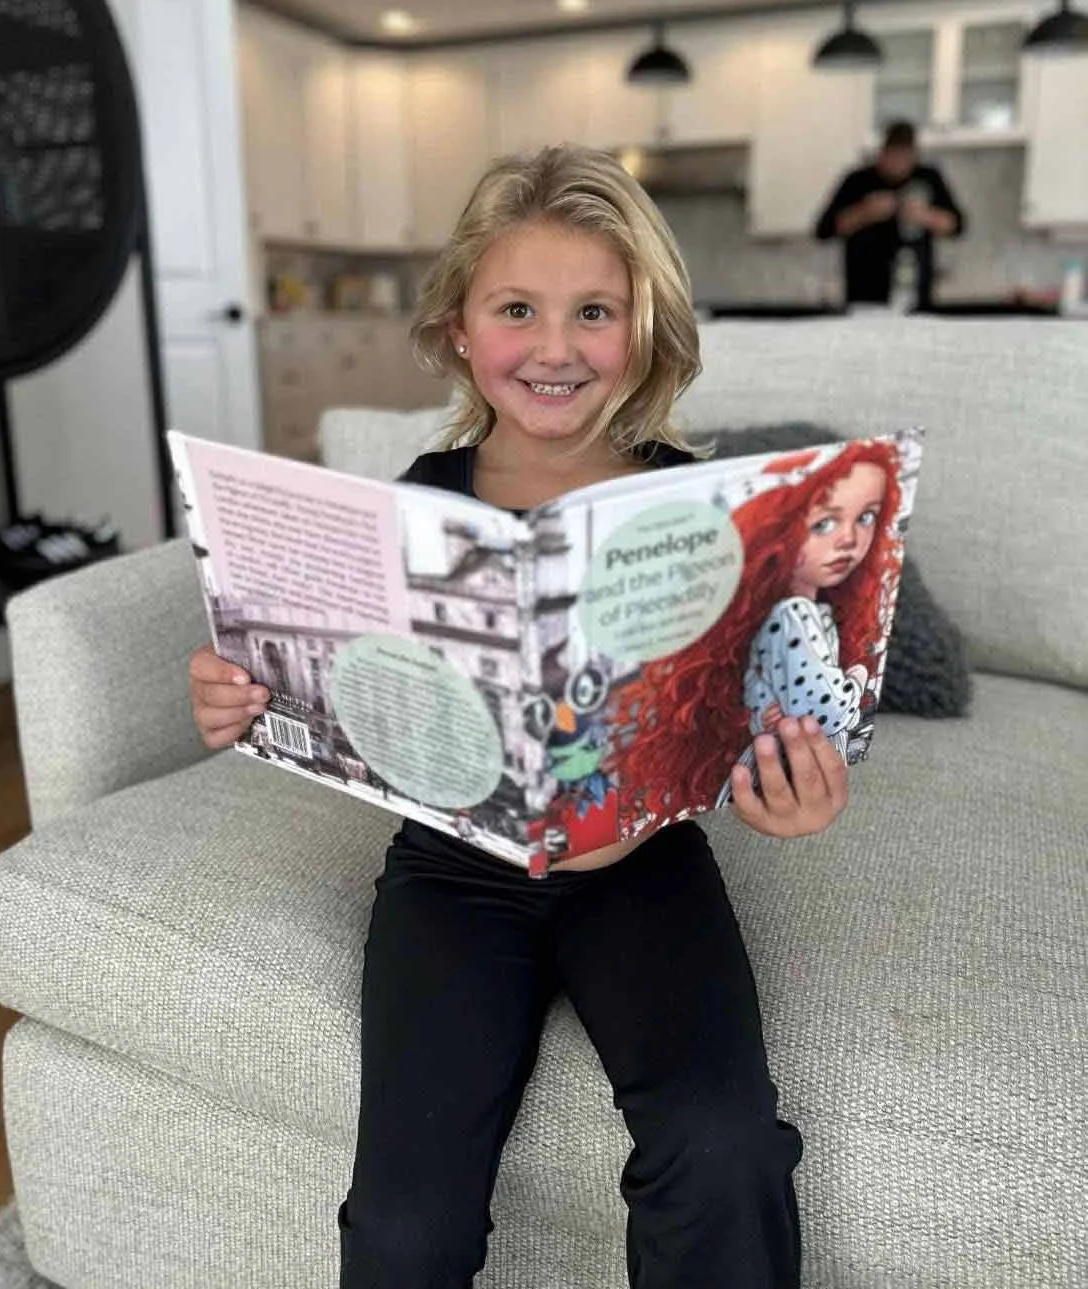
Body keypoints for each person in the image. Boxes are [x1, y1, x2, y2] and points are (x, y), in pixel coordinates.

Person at [187, 144, 853, 1288]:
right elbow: (341, 679)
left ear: (641, 329)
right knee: (404, 1220)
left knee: (726, 1142)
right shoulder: (416, 498)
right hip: (455, 874)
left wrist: (793, 787)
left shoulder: (699, 510)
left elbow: (748, 713)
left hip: (642, 865)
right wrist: (241, 695)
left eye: (594, 309)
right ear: (458, 327)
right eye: (517, 308)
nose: (555, 346)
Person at [609, 442, 904, 817]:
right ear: (779, 536)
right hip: (773, 767)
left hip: (784, 770)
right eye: (824, 524)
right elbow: (827, 711)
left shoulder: (808, 613)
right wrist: (858, 676)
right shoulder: (792, 614)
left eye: (866, 518)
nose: (848, 539)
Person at [815, 120, 966, 308]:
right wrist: (864, 213)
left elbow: (957, 227)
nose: (897, 163)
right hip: (864, 292)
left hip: (916, 294)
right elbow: (823, 230)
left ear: (914, 156)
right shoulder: (857, 180)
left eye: (904, 157)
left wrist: (924, 215)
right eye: (892, 156)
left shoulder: (928, 178)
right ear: (882, 153)